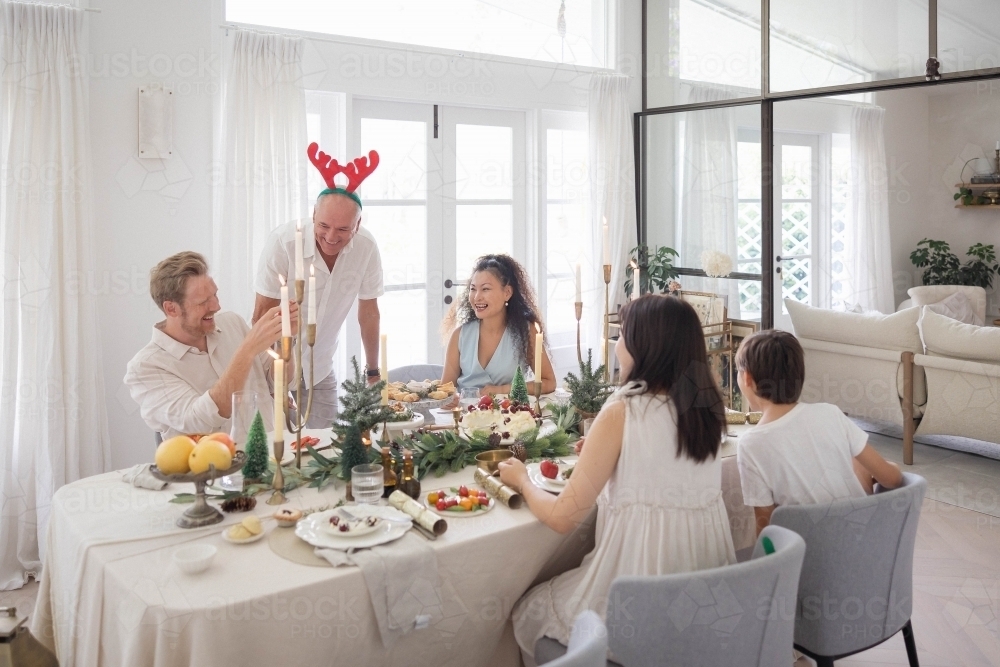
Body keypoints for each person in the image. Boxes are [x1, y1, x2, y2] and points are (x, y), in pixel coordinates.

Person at [498, 295, 736, 662]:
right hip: (704, 593)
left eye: (623, 335)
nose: (617, 345)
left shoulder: (624, 408)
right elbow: (659, 459)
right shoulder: (704, 405)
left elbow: (563, 517)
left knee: (526, 608)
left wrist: (522, 481)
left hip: (640, 593)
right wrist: (602, 449)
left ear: (645, 347)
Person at [253, 146, 384, 427]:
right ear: (313, 214)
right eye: (323, 225)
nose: (331, 237)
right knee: (277, 456)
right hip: (274, 369)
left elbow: (369, 312)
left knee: (326, 453)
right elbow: (261, 315)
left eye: (343, 229)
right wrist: (275, 376)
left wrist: (373, 370)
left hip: (320, 369)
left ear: (358, 224)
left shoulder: (367, 248)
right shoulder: (284, 243)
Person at [735, 329, 903, 536]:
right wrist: (889, 467)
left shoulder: (751, 444)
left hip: (810, 558)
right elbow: (892, 479)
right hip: (864, 550)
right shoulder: (830, 413)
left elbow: (766, 527)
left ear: (747, 378)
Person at [125, 252, 295, 439]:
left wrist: (285, 339)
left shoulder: (232, 323)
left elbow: (281, 381)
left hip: (277, 454)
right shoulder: (145, 368)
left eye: (214, 294)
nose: (216, 306)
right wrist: (247, 350)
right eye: (204, 302)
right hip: (217, 466)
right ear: (171, 308)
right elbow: (200, 420)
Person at [441, 254, 555, 396]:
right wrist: (450, 399)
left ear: (507, 293)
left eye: (486, 289)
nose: (477, 297)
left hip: (510, 416)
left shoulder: (526, 332)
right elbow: (445, 391)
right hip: (466, 415)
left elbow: (549, 382)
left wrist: (503, 390)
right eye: (473, 289)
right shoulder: (459, 335)